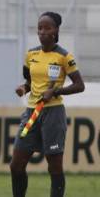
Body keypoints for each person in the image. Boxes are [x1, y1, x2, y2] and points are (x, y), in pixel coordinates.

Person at [10, 12, 85, 197]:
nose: (42, 32)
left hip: (53, 115)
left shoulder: (64, 57)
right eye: (40, 28)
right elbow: (29, 82)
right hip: (31, 114)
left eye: (47, 28)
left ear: (56, 30)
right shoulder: (31, 54)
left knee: (54, 166)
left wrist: (56, 91)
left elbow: (79, 85)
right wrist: (23, 88)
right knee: (16, 165)